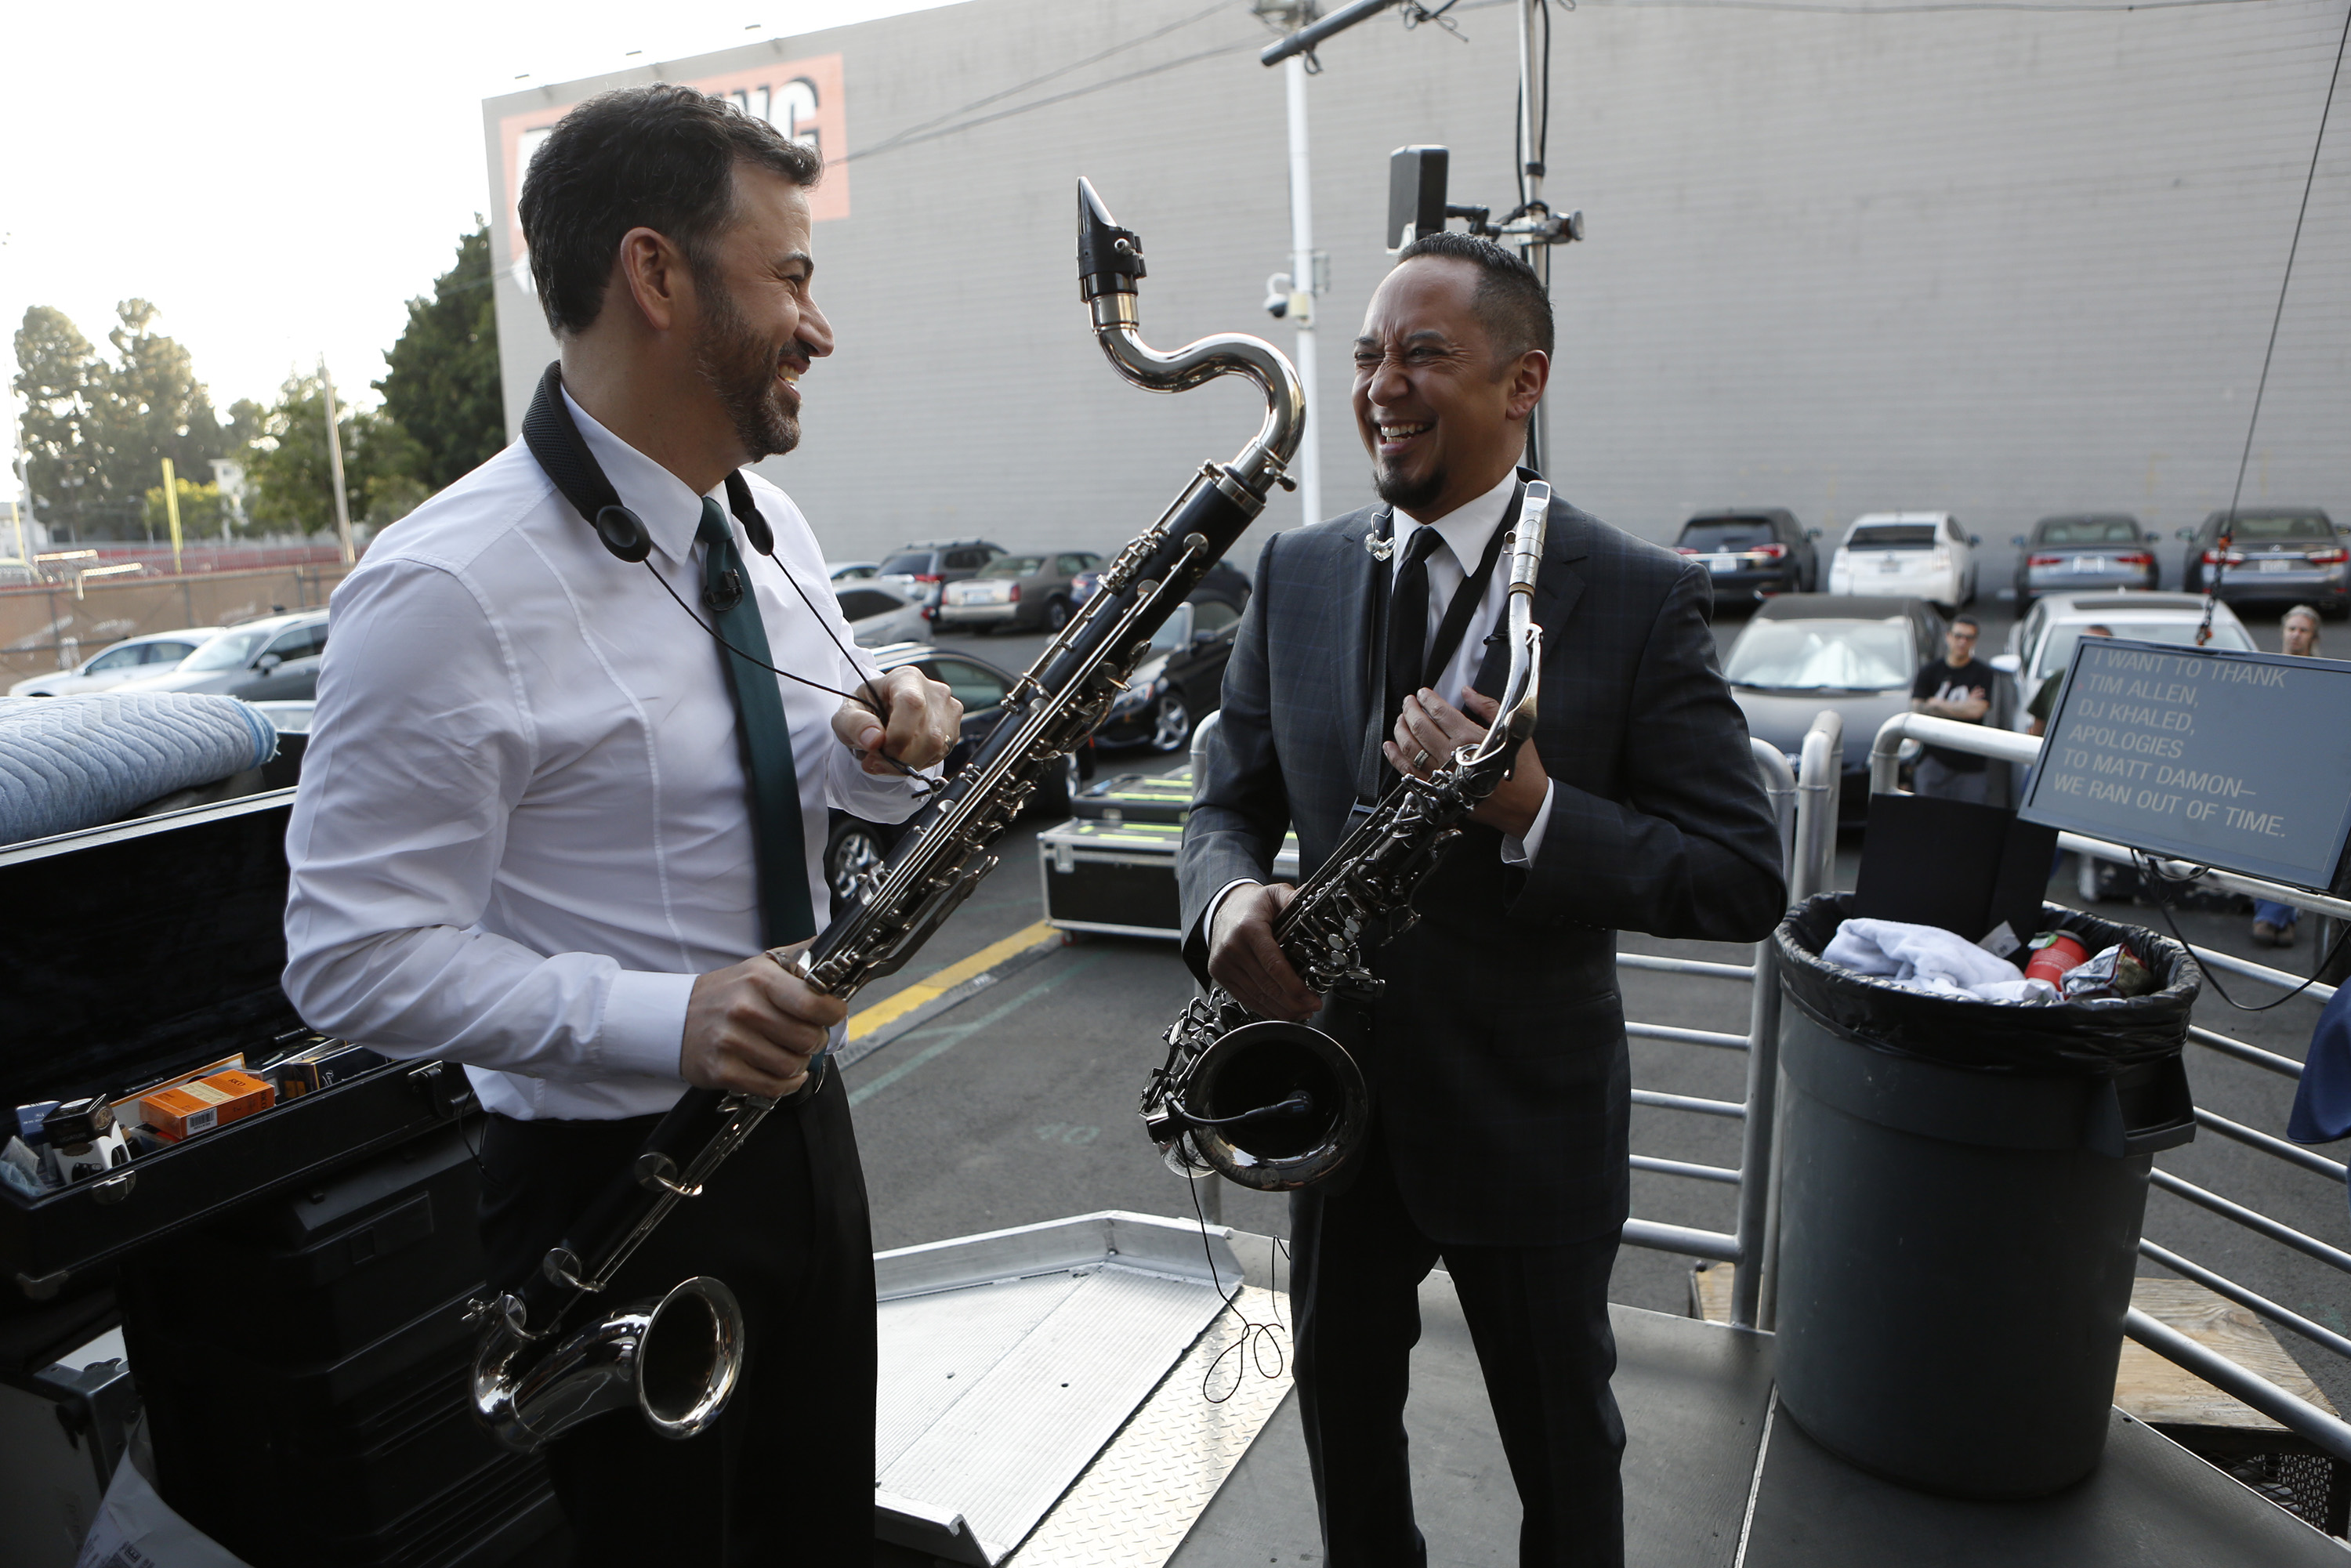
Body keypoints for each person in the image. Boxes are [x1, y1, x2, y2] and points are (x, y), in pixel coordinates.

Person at [281, 85, 961, 1565]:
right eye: (790, 277)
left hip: (801, 1134)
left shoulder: (767, 528)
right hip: (614, 1193)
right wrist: (670, 1019)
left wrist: (881, 731)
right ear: (656, 275)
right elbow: (345, 960)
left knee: (818, 1534)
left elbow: (801, 760)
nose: (818, 326)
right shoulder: (442, 588)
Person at [1179, 234, 1785, 1566]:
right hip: (1331, 1104)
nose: (1382, 384)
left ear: (1525, 382)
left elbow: (1743, 872)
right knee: (1342, 1416)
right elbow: (1226, 804)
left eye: (1424, 354)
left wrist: (1534, 809)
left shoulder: (1633, 594)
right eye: (1368, 356)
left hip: (1528, 1119)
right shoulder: (1300, 572)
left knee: (1564, 1449)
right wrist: (1226, 906)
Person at [2250, 606, 2325, 947]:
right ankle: (2280, 917)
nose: (2296, 635)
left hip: (2305, 780)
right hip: (2266, 775)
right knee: (2266, 848)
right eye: (2291, 628)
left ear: (2314, 636)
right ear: (2283, 632)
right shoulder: (2267, 672)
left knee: (2294, 849)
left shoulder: (2327, 676)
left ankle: (2272, 917)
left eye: (2303, 630)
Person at [1910, 614, 1994, 801]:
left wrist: (1938, 704)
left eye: (1968, 638)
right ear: (1948, 637)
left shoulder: (1983, 673)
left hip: (1971, 762)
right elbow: (1918, 707)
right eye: (1958, 636)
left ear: (1975, 641)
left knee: (1968, 819)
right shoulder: (1930, 671)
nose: (1962, 642)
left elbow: (1977, 711)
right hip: (1934, 757)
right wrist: (1963, 706)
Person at [2025, 623, 2111, 737]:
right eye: (2087, 645)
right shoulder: (2058, 680)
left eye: (2101, 647)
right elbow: (2038, 728)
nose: (2094, 652)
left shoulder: (2119, 688)